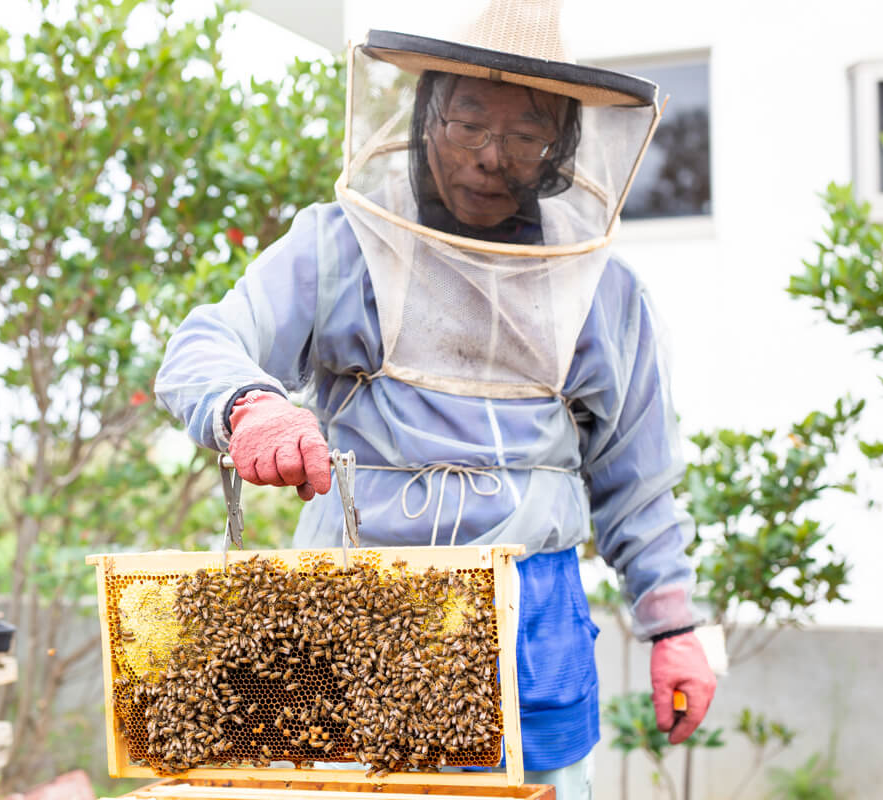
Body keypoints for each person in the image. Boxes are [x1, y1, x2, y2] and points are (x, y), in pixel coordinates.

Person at [155, 1, 716, 796]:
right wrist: (252, 405)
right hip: (357, 607)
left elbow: (637, 474)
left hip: (533, 615)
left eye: (525, 135)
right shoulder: (339, 245)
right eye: (470, 124)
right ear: (428, 117)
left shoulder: (605, 291)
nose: (493, 156)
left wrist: (675, 628)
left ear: (559, 146)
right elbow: (205, 343)